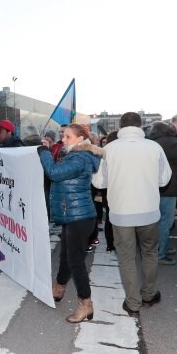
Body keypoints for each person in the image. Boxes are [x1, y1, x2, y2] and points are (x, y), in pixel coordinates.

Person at [93, 112, 172, 317]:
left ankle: (133, 303)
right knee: (149, 253)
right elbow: (164, 179)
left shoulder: (109, 149)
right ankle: (149, 294)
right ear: (140, 126)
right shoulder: (154, 147)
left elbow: (99, 182)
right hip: (149, 212)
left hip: (121, 213)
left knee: (126, 258)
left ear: (120, 127)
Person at [38, 123, 104, 323]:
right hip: (73, 214)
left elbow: (55, 173)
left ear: (79, 138)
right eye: (62, 136)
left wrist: (45, 152)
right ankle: (59, 287)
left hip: (79, 216)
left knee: (75, 261)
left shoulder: (81, 157)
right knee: (66, 254)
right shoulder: (75, 155)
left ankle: (86, 304)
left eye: (67, 136)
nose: (63, 140)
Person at [147, 114, 177, 265]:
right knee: (165, 221)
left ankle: (164, 247)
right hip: (168, 186)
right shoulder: (169, 141)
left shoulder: (155, 138)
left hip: (155, 186)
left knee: (158, 220)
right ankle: (160, 254)